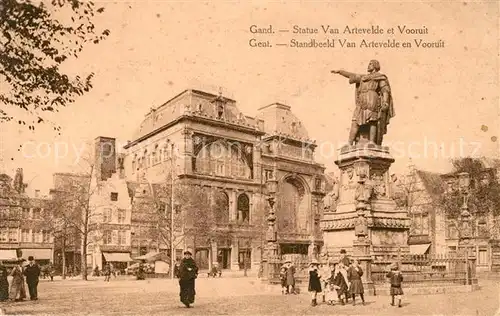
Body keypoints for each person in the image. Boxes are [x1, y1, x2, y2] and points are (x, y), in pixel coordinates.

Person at [331, 59, 395, 146]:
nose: (368, 66)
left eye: (371, 64)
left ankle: (372, 142)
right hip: (361, 101)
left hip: (372, 99)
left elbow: (385, 90)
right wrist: (340, 72)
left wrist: (385, 102)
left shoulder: (380, 77)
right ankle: (349, 143)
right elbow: (351, 75)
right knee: (355, 120)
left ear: (375, 66)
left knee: (372, 120)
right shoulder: (363, 77)